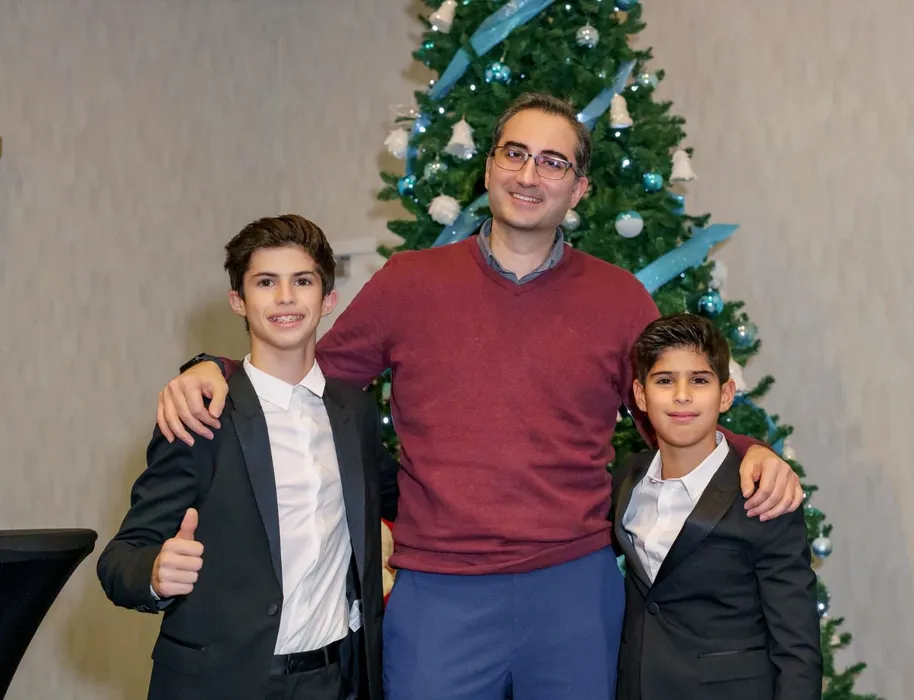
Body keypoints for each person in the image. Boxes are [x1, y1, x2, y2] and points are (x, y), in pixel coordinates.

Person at [154, 94, 805, 700]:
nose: (529, 175)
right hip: (439, 596)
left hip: (573, 590)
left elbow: (673, 408)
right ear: (489, 167)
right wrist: (216, 369)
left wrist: (747, 451)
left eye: (553, 162)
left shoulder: (617, 299)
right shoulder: (409, 283)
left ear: (579, 188)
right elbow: (307, 375)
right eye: (514, 154)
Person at [97, 215, 397, 700]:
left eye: (303, 281)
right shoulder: (202, 414)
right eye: (265, 282)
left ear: (328, 300)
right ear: (238, 300)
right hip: (222, 681)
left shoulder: (354, 413)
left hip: (333, 679)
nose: (285, 297)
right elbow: (120, 558)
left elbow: (407, 498)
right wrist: (153, 573)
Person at [613, 313, 821, 700]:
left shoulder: (763, 494)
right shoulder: (628, 479)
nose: (682, 395)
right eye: (664, 381)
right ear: (640, 395)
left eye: (699, 380)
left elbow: (797, 648)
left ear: (726, 394)